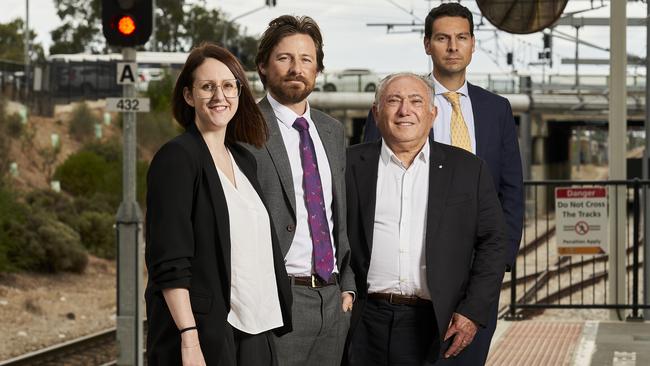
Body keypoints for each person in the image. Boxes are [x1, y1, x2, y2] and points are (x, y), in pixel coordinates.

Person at [362, 3, 524, 364]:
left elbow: (511, 192)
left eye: (461, 37)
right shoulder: (397, 105)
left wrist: (498, 267)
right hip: (412, 271)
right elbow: (366, 187)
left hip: (475, 274)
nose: (452, 46)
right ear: (427, 44)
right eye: (442, 38)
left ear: (472, 44)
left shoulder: (497, 109)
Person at [144, 43, 292, 366]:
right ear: (188, 96)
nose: (219, 96)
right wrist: (188, 337)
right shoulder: (177, 158)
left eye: (228, 86)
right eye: (207, 87)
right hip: (207, 333)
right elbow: (169, 261)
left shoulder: (243, 159)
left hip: (257, 330)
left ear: (239, 92)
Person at [346, 72, 508, 365]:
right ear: (376, 113)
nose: (405, 110)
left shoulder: (468, 170)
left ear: (432, 114)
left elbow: (494, 242)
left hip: (436, 322)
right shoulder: (347, 165)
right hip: (361, 321)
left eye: (416, 101)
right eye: (393, 100)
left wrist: (472, 310)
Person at [244, 15, 355, 366]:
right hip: (279, 300)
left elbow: (340, 213)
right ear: (262, 66)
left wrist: (347, 285)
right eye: (284, 58)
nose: (296, 68)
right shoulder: (244, 129)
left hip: (332, 300)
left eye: (306, 59)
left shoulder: (332, 130)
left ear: (318, 69)